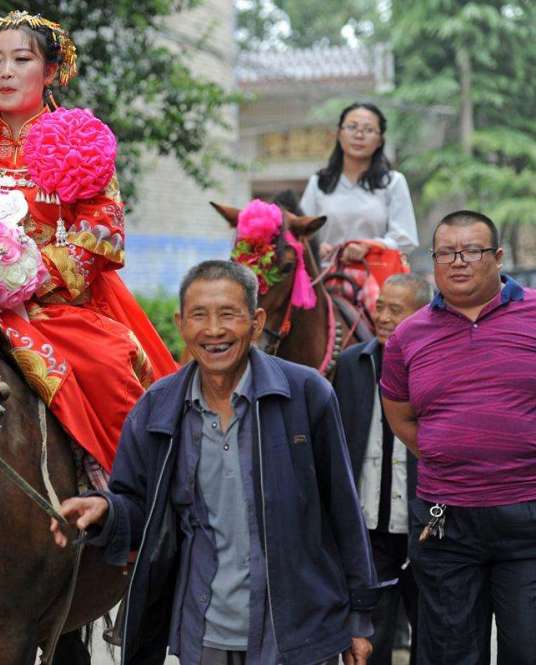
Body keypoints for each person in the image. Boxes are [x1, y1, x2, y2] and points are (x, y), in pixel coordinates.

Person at [52, 260, 380, 665]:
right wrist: (105, 509)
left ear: (256, 322)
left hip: (297, 630)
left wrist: (359, 617)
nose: (213, 330)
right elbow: (142, 512)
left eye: (228, 314)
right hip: (203, 630)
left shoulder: (307, 394)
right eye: (199, 316)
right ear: (181, 324)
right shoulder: (157, 408)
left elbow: (344, 510)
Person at [0, 10, 178, 480]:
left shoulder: (78, 143)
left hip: (56, 307)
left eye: (20, 59)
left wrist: (23, 278)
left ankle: (128, 497)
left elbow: (101, 236)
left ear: (50, 71)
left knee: (107, 367)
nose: (5, 72)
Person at [381, 210, 536, 665]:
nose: (459, 261)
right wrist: (447, 453)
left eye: (472, 250)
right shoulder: (408, 337)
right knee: (450, 653)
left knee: (528, 651)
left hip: (528, 517)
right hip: (444, 520)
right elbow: (401, 416)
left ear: (498, 257)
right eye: (446, 252)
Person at [334, 273, 432, 665]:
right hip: (368, 527)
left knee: (433, 632)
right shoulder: (350, 365)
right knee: (373, 638)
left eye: (397, 309)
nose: (384, 317)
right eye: (380, 307)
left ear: (422, 315)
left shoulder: (434, 367)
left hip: (423, 527)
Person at [300, 102, 419, 264]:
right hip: (326, 279)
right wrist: (316, 248)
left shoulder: (392, 182)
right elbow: (301, 234)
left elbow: (405, 239)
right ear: (339, 134)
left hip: (378, 279)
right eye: (351, 127)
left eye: (369, 130)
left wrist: (370, 247)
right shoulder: (319, 183)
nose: (359, 135)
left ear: (380, 141)